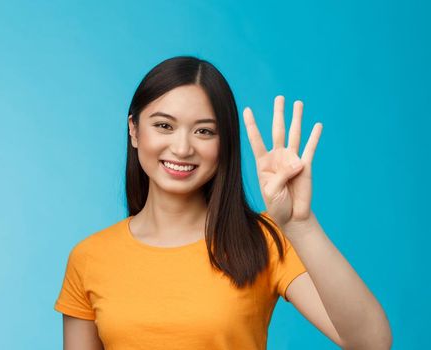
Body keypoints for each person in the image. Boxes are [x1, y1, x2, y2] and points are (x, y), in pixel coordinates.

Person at [54, 56, 392, 349]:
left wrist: (300, 225)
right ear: (134, 130)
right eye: (163, 126)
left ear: (224, 142)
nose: (183, 148)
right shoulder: (89, 258)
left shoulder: (265, 240)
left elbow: (370, 343)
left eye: (204, 131)